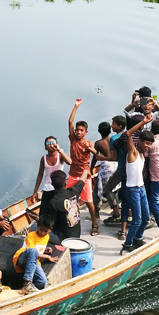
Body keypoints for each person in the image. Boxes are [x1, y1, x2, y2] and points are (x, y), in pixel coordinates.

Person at [121, 114, 153, 254]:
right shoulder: (133, 152)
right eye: (146, 143)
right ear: (139, 141)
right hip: (132, 190)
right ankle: (127, 245)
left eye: (150, 144)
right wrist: (143, 122)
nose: (148, 146)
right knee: (137, 220)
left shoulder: (141, 154)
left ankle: (137, 239)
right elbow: (128, 133)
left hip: (141, 189)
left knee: (146, 217)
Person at [67, 99, 100, 236]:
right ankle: (73, 222)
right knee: (69, 201)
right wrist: (75, 106)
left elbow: (97, 154)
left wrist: (90, 149)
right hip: (72, 174)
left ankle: (94, 223)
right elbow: (70, 122)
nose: (79, 132)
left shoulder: (88, 143)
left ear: (86, 132)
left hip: (84, 175)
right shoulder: (73, 139)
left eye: (81, 130)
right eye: (77, 130)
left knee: (89, 202)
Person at [13, 214, 59, 294]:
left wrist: (45, 250)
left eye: (45, 231)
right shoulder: (31, 235)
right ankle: (27, 282)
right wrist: (47, 256)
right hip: (22, 258)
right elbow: (32, 251)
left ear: (50, 230)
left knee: (43, 283)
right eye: (41, 229)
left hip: (33, 262)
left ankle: (22, 290)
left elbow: (38, 249)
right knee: (33, 251)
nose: (42, 233)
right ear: (37, 226)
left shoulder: (47, 237)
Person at [40, 170, 85, 243]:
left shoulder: (53, 202)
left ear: (52, 184)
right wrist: (86, 170)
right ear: (65, 183)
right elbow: (82, 181)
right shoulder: (73, 191)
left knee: (34, 227)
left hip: (64, 240)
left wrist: (37, 219)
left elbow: (51, 225)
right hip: (76, 235)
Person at [99, 115, 127, 223]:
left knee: (107, 189)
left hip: (120, 170)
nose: (112, 126)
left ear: (119, 126)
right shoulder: (128, 135)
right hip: (129, 170)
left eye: (114, 124)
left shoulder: (114, 139)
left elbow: (114, 158)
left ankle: (116, 213)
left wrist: (102, 158)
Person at [32, 136, 72, 207]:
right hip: (48, 188)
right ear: (45, 148)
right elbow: (40, 175)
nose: (51, 144)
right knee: (45, 211)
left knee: (61, 209)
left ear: (56, 144)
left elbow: (69, 162)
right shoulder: (43, 158)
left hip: (59, 188)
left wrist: (60, 150)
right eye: (48, 143)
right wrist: (35, 192)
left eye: (53, 142)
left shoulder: (60, 156)